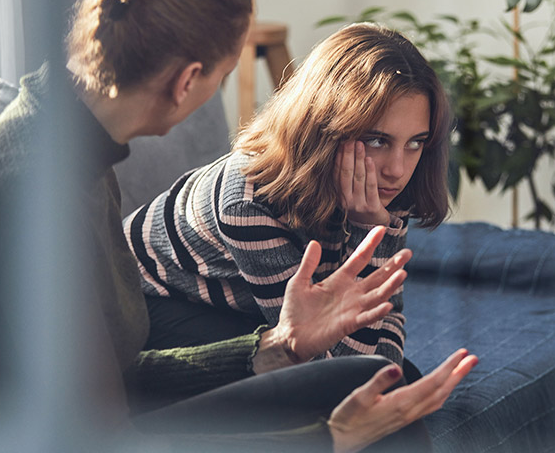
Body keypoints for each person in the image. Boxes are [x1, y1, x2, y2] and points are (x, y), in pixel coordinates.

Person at [0, 0, 476, 452]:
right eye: (226, 74)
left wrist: (279, 345)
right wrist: (327, 439)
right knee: (371, 424)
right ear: (188, 80)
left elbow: (120, 377)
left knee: (373, 391)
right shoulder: (30, 194)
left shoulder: (71, 155)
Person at [125, 23, 452, 376]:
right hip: (148, 306)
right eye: (377, 140)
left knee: (399, 379)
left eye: (415, 142)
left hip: (251, 308)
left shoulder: (385, 186)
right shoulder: (249, 200)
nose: (398, 169)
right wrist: (368, 231)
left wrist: (371, 226)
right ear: (326, 126)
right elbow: (325, 362)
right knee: (335, 384)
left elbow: (383, 322)